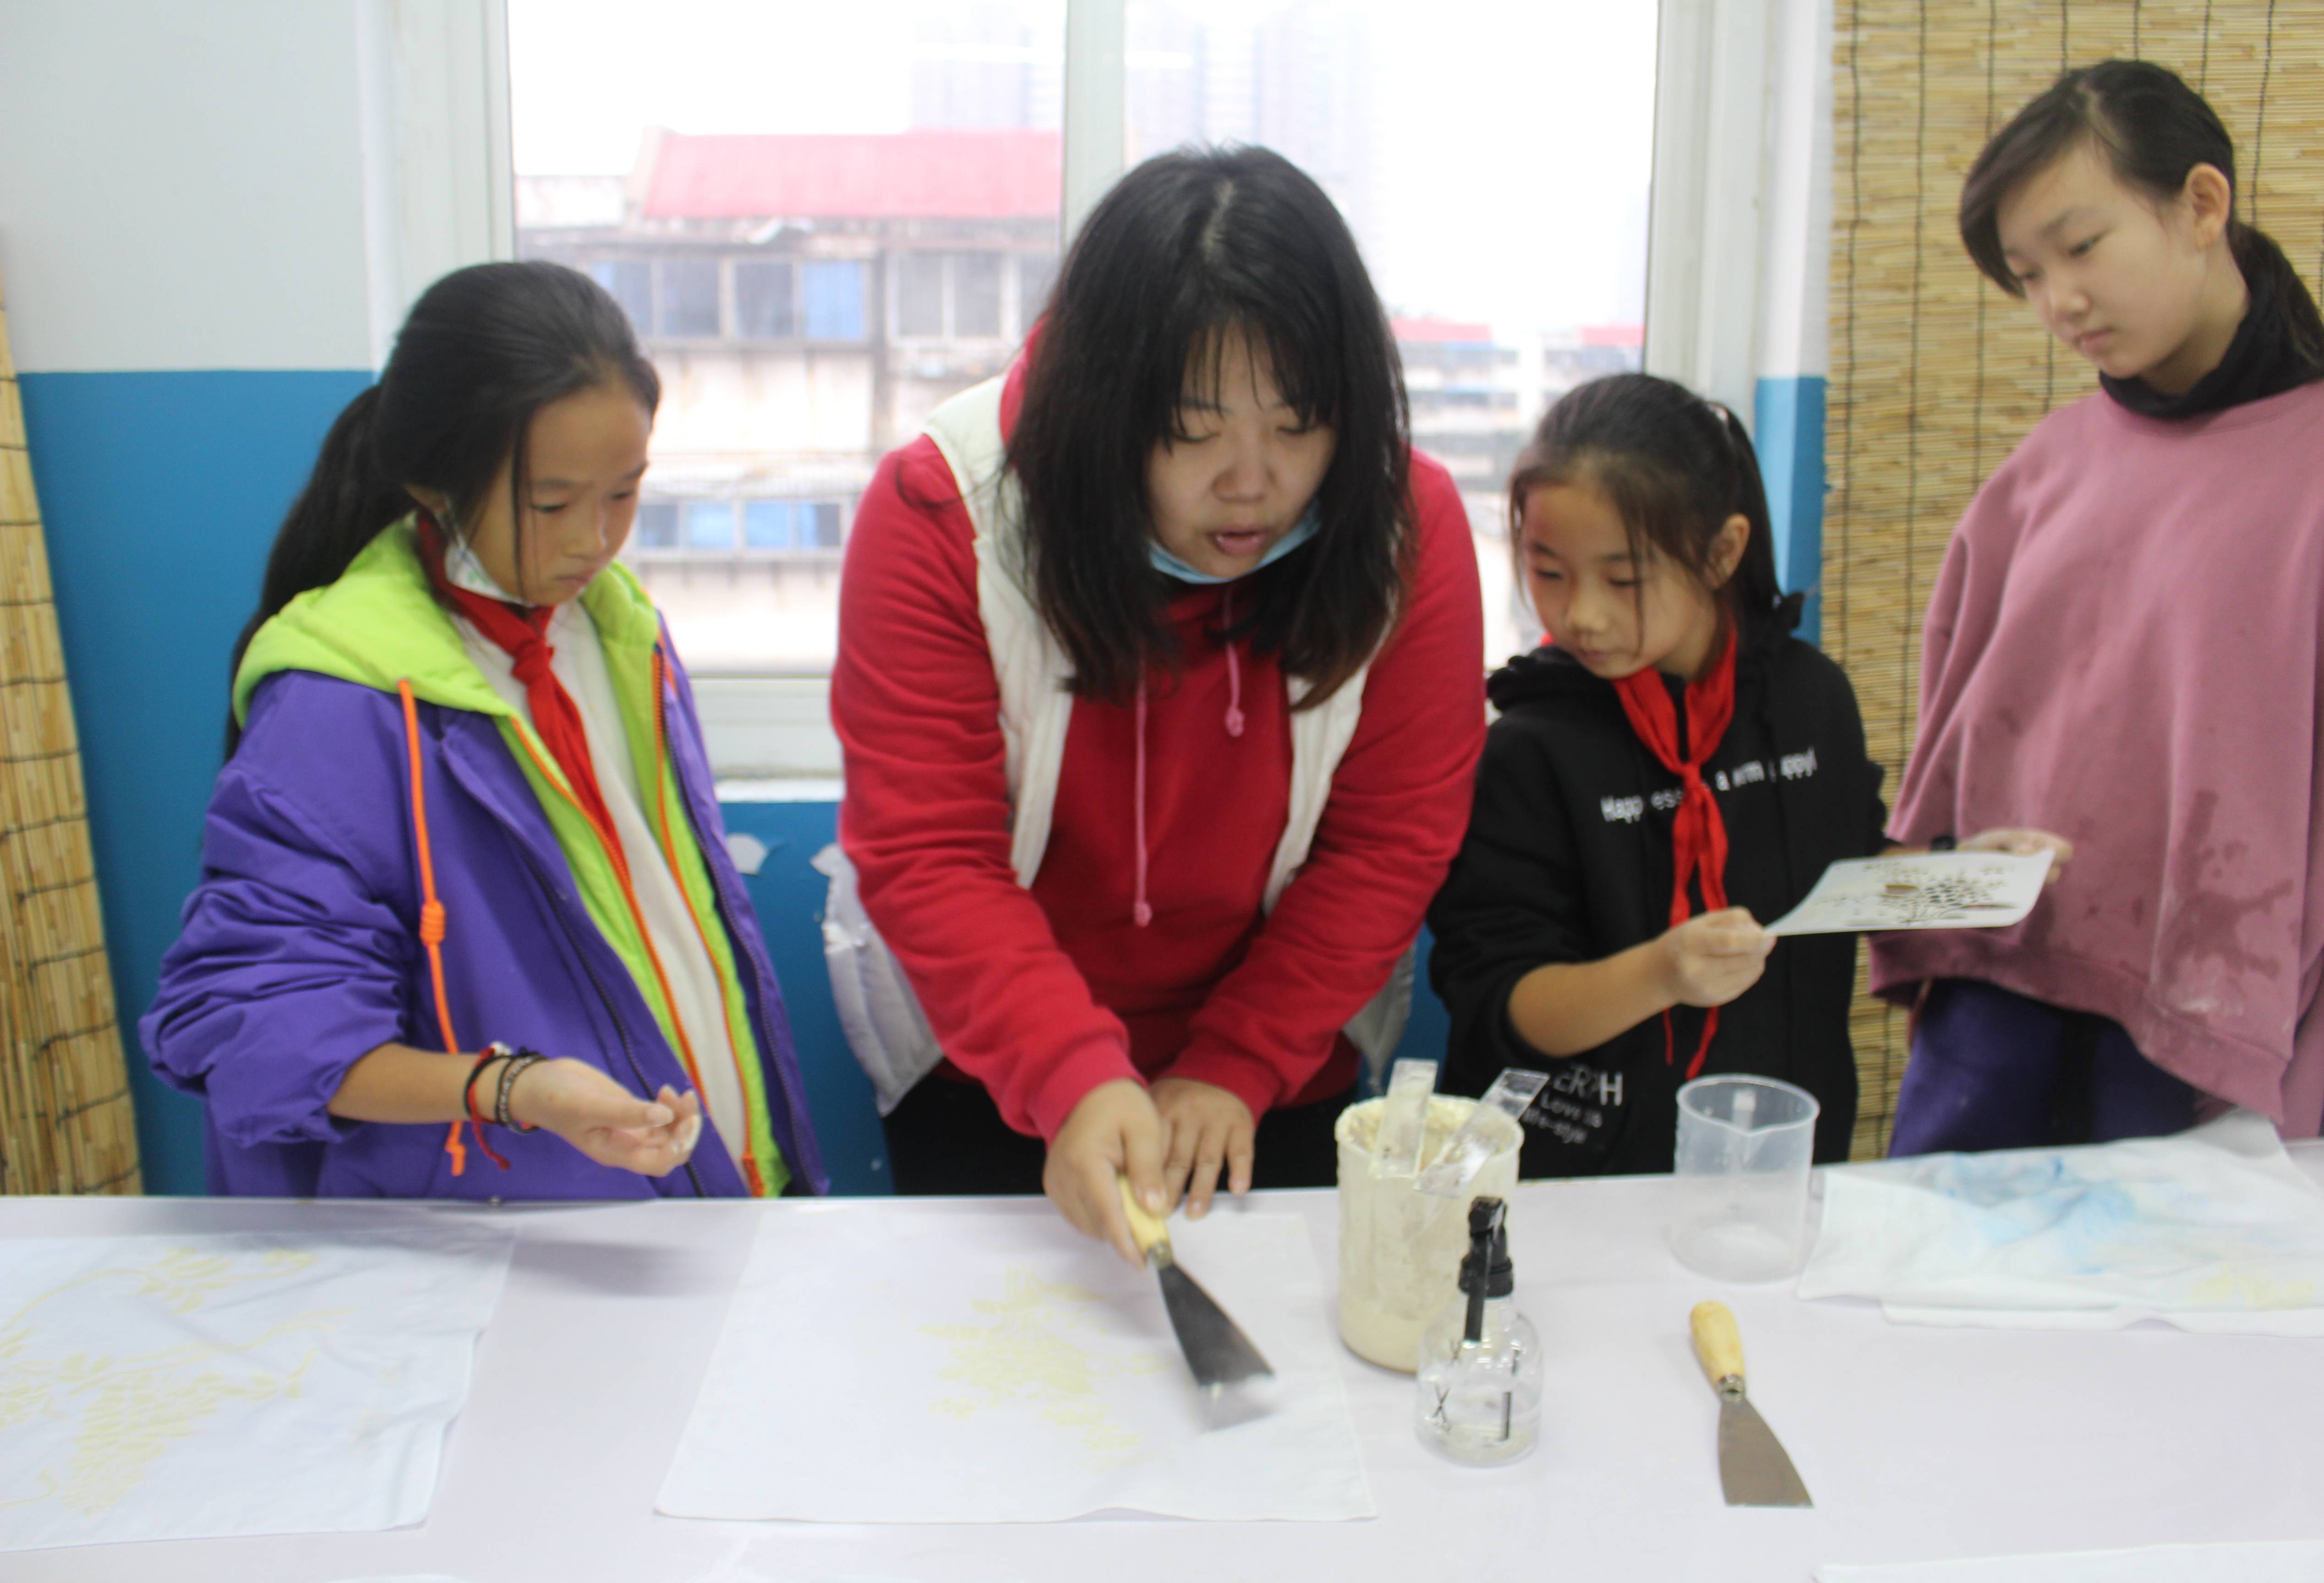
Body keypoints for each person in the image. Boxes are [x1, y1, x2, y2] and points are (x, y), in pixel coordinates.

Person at [829, 146, 1484, 1261]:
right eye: (1192, 430)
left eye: (1297, 425)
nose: (1253, 482)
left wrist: (1235, 1062)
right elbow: (932, 854)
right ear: (1102, 407)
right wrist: (1069, 1074)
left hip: (1275, 1067)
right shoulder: (945, 512)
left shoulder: (1402, 531)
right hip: (991, 1063)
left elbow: (1388, 844)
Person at [142, 261, 828, 1200]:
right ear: (431, 482)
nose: (595, 539)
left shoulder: (624, 633)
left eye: (626, 493)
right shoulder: (341, 702)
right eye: (550, 504)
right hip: (494, 1242)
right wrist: (514, 1089)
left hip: (698, 1192)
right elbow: (259, 1029)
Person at [1878, 59, 2324, 1153]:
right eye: (2027, 273)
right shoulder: (2045, 470)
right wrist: (1939, 882)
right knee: (1950, 1314)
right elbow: (1934, 804)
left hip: (2217, 1049)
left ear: (2202, 205)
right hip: (1997, 1018)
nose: (2060, 302)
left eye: (2082, 247)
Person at [1426, 373, 1894, 1174]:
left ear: (1722, 552)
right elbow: (1505, 1003)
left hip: (1777, 1161)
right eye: (1548, 571)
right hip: (1576, 1180)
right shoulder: (1530, 748)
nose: (1582, 615)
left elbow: (1854, 874)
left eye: (1623, 580)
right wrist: (1660, 973)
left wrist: (1975, 868)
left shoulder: (1811, 701)